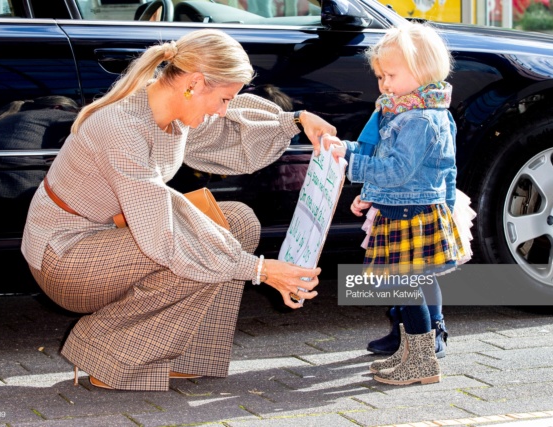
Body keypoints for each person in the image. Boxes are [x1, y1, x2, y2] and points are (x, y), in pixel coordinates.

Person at [21, 29, 336, 391]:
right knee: (193, 249)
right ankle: (109, 359)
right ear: (195, 83)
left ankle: (181, 355)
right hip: (64, 258)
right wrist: (261, 270)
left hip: (108, 237)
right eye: (223, 99)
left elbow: (228, 135)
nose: (223, 110)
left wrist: (295, 121)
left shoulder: (167, 109)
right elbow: (164, 236)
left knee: (237, 223)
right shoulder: (122, 127)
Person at [322, 22, 465, 386]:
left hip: (409, 212)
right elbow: (390, 161)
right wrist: (349, 151)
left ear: (422, 70)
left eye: (391, 75)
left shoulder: (418, 119)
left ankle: (421, 362)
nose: (384, 84)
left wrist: (353, 165)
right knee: (409, 284)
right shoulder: (411, 109)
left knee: (405, 286)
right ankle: (414, 352)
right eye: (380, 76)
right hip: (405, 207)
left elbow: (397, 169)